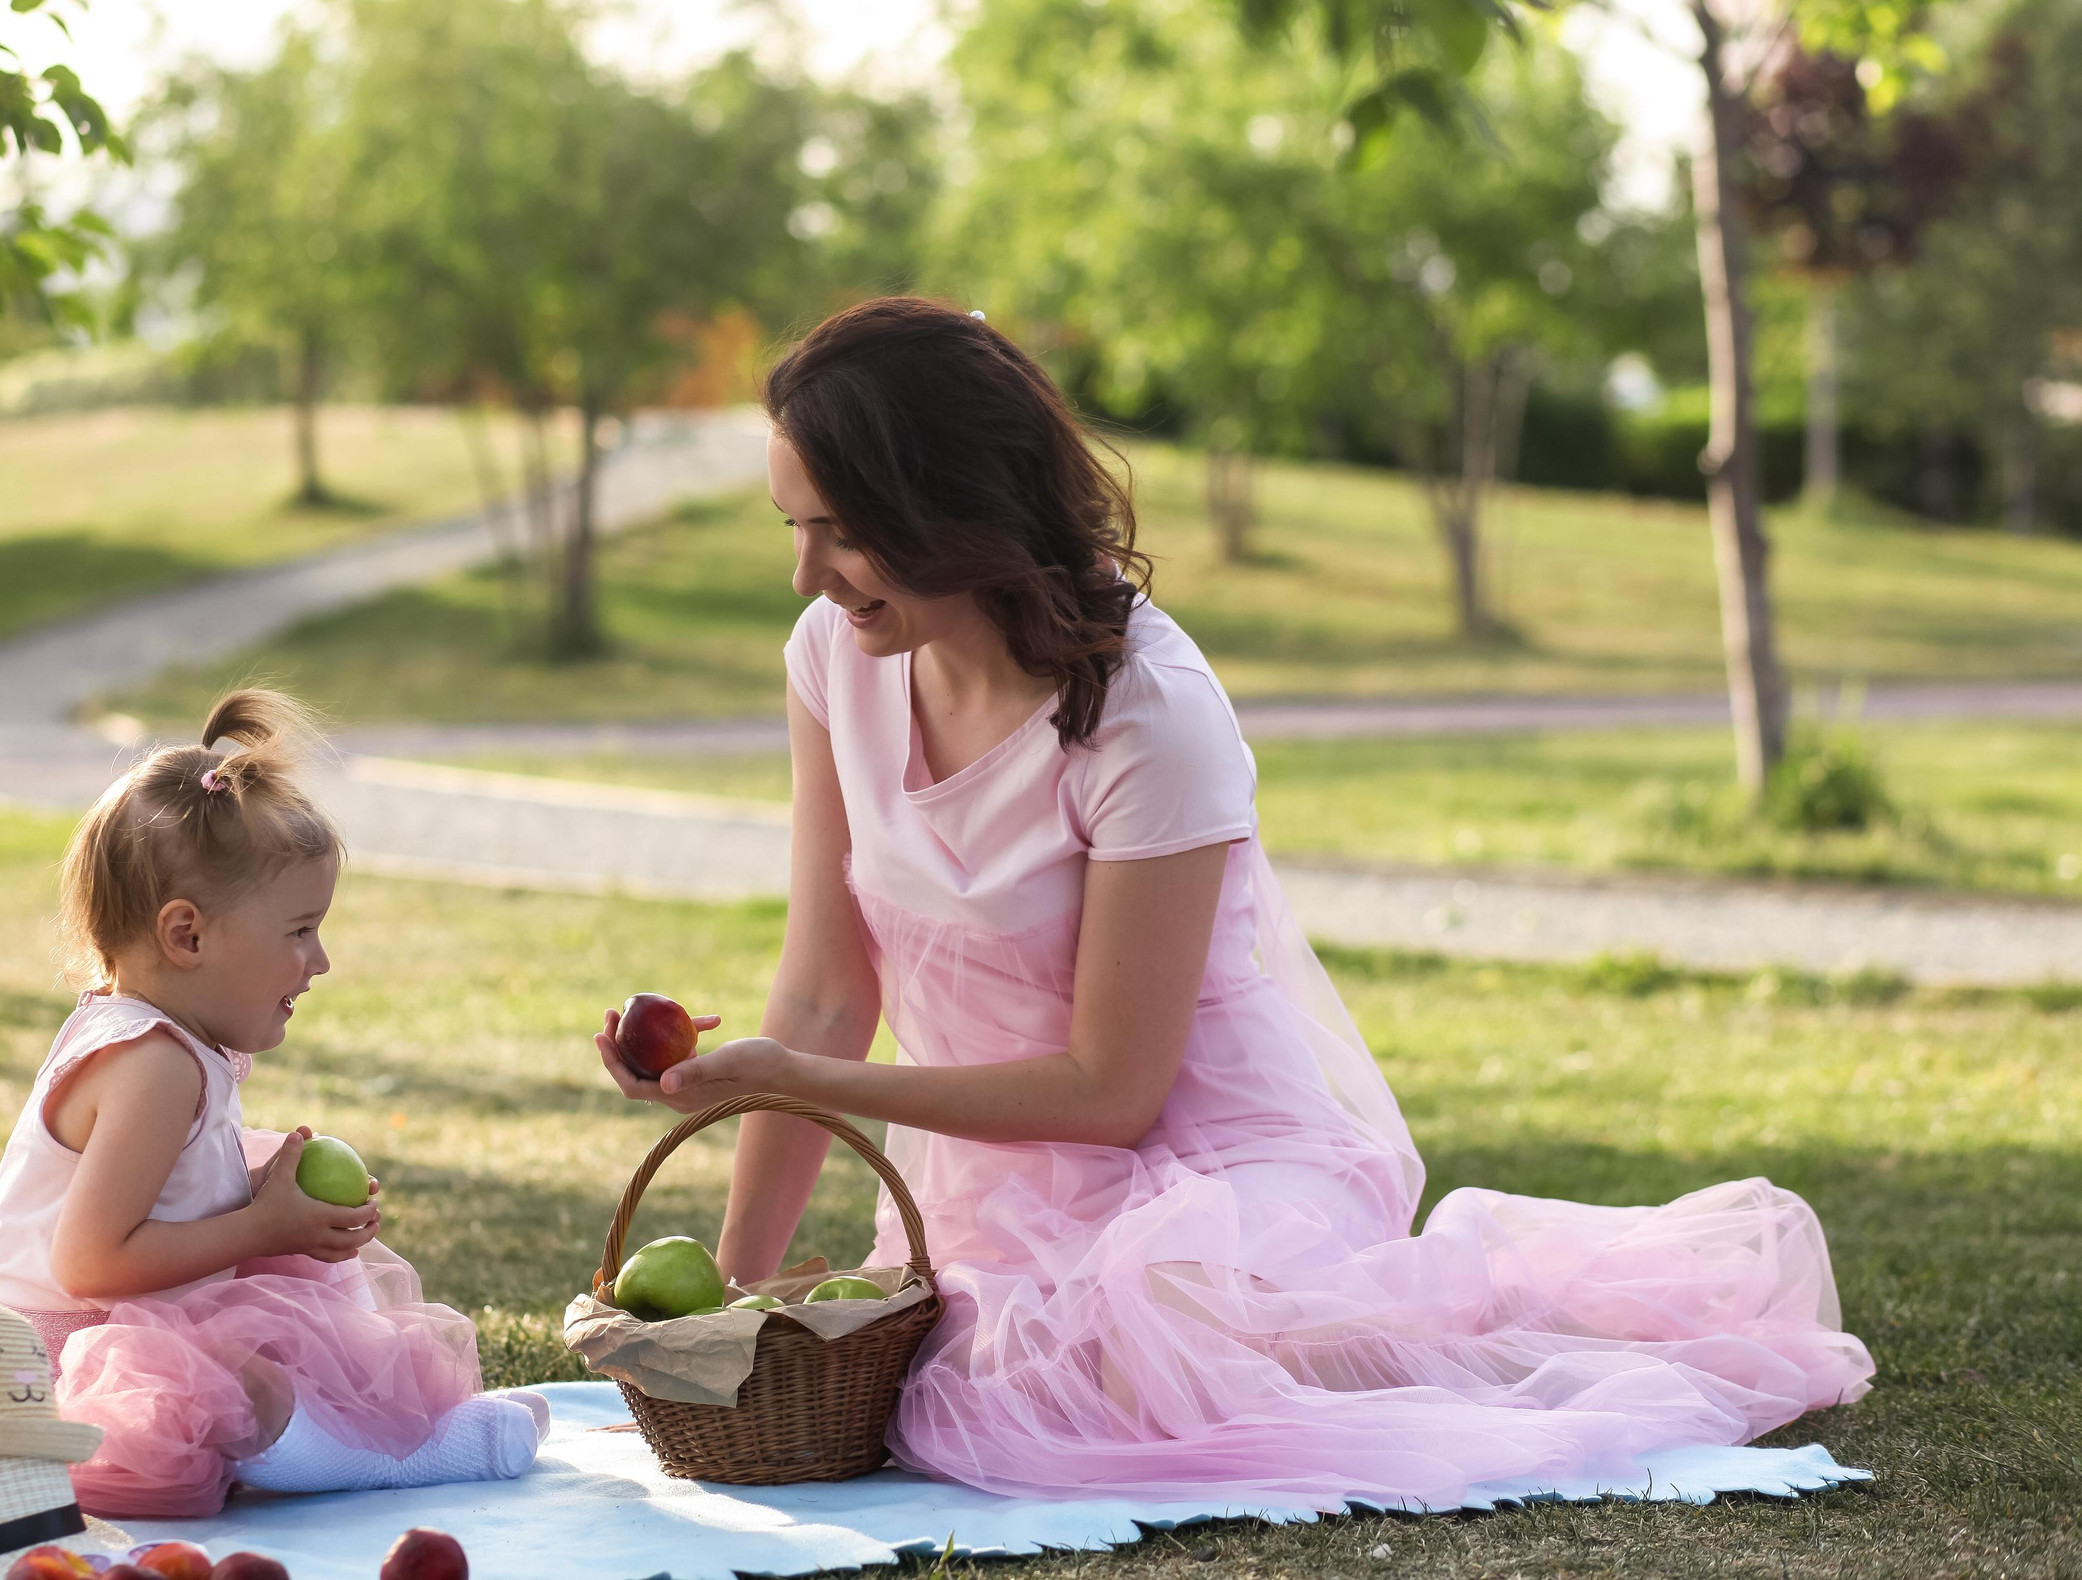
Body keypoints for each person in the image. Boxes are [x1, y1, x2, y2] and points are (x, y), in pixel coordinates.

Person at [596, 296, 1874, 1510]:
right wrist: (727, 1308)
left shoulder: (1146, 711)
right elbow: (826, 993)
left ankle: (1452, 1325)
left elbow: (1111, 1092)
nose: (807, 575)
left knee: (1111, 1378)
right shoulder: (834, 660)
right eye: (792, 527)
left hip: (1221, 1170)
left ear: (950, 502)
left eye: (840, 530)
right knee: (966, 1385)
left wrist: (805, 1081)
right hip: (998, 1197)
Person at [0, 688, 545, 1518]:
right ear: (188, 935)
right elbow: (89, 1265)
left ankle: (365, 1433)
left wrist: (262, 1201)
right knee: (246, 1386)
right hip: (83, 1360)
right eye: (299, 930)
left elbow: (161, 1201)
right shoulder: (153, 1065)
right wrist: (259, 1228)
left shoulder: (162, 1041)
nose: (321, 961)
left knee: (288, 1327)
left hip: (131, 1326)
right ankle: (389, 1458)